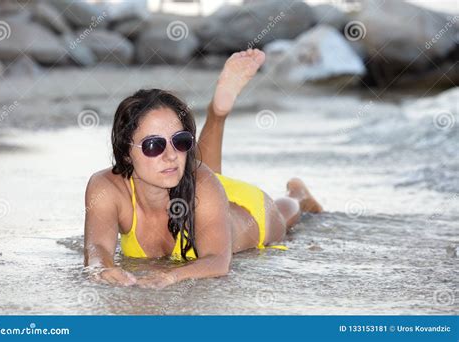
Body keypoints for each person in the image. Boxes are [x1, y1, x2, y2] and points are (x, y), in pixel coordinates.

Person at [84, 49, 323, 289]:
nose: (169, 155)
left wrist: (171, 277)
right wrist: (102, 268)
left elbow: (218, 260)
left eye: (181, 141)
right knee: (201, 176)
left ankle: (298, 195)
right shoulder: (106, 188)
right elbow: (98, 248)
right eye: (154, 145)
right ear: (126, 151)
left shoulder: (202, 181)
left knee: (282, 215)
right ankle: (217, 113)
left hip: (248, 211)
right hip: (201, 191)